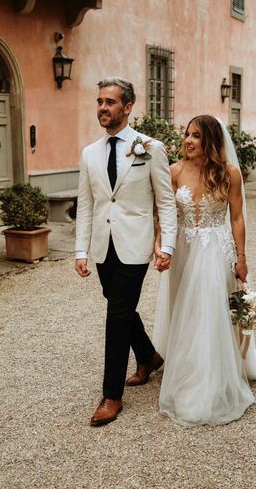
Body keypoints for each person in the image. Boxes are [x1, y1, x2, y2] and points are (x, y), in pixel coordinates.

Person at [153, 114, 256, 426]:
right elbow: (164, 215)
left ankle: (212, 376)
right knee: (186, 311)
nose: (188, 141)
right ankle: (188, 366)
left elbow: (237, 218)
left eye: (197, 136)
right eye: (187, 134)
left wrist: (242, 258)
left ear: (211, 141)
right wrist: (161, 245)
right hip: (185, 250)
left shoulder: (229, 172)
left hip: (217, 251)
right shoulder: (174, 171)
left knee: (213, 312)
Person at [75, 77, 177, 427]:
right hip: (105, 248)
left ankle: (112, 395)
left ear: (128, 107)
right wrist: (80, 249)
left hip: (135, 246)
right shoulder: (90, 153)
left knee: (117, 316)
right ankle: (148, 357)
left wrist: (166, 246)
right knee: (120, 305)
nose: (102, 108)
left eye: (110, 102)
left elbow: (165, 201)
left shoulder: (151, 148)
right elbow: (86, 205)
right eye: (99, 101)